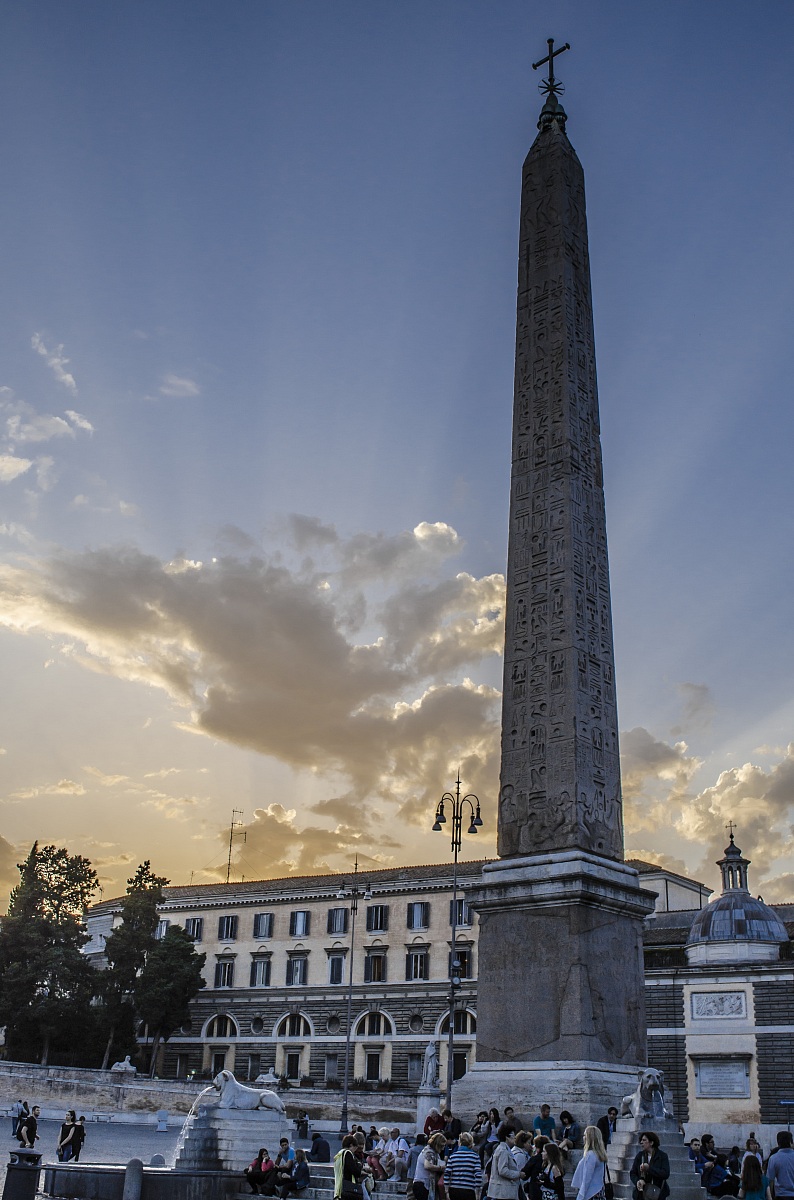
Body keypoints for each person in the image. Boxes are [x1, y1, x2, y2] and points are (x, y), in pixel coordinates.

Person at [630, 1132, 670, 1200]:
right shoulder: (640, 1156)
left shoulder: (662, 1156)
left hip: (657, 1193)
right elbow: (633, 1173)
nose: (641, 1142)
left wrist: (649, 1168)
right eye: (641, 1140)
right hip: (642, 1194)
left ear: (651, 1143)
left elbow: (665, 1173)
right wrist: (638, 1181)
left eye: (644, 1140)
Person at [444, 1131, 483, 1200]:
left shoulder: (453, 1156)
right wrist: (477, 1192)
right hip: (469, 1190)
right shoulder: (475, 1157)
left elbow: (447, 1174)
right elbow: (478, 1176)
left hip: (454, 1189)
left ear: (460, 1143)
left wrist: (446, 1191)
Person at [572, 1126, 608, 1200]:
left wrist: (580, 1196)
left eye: (585, 1135)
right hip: (598, 1190)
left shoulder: (591, 1155)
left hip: (590, 1193)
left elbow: (587, 1177)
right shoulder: (599, 1154)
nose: (583, 1137)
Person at [487, 1124, 521, 1200]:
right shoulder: (503, 1151)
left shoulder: (502, 1149)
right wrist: (518, 1174)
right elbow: (502, 1170)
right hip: (503, 1192)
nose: (515, 1138)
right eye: (513, 1136)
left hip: (503, 1192)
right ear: (507, 1137)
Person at [413, 1132, 447, 1200]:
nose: (443, 1148)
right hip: (422, 1184)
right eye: (442, 1146)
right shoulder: (429, 1152)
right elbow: (427, 1165)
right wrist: (441, 1168)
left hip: (424, 1183)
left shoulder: (434, 1153)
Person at [335, 1135, 364, 1200]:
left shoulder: (339, 1154)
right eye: (355, 1148)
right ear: (351, 1145)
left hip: (340, 1186)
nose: (354, 1151)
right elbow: (354, 1170)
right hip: (348, 1186)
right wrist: (359, 1165)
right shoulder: (347, 1153)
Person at [767, 1132, 794, 1199]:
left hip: (781, 1194)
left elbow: (770, 1179)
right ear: (791, 1141)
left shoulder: (774, 1158)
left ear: (778, 1142)